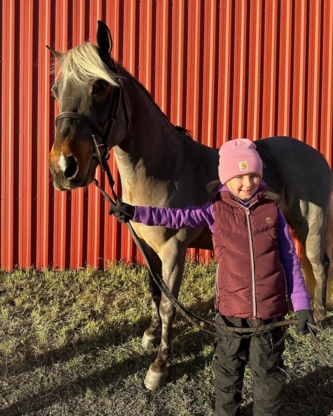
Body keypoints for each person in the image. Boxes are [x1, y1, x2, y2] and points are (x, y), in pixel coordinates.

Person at [109, 138, 315, 416]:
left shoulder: (272, 211)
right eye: (239, 176)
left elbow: (290, 258)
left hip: (270, 313)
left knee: (269, 374)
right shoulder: (214, 211)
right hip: (230, 314)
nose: (247, 183)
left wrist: (302, 304)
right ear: (226, 178)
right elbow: (175, 218)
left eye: (253, 175)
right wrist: (136, 212)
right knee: (228, 372)